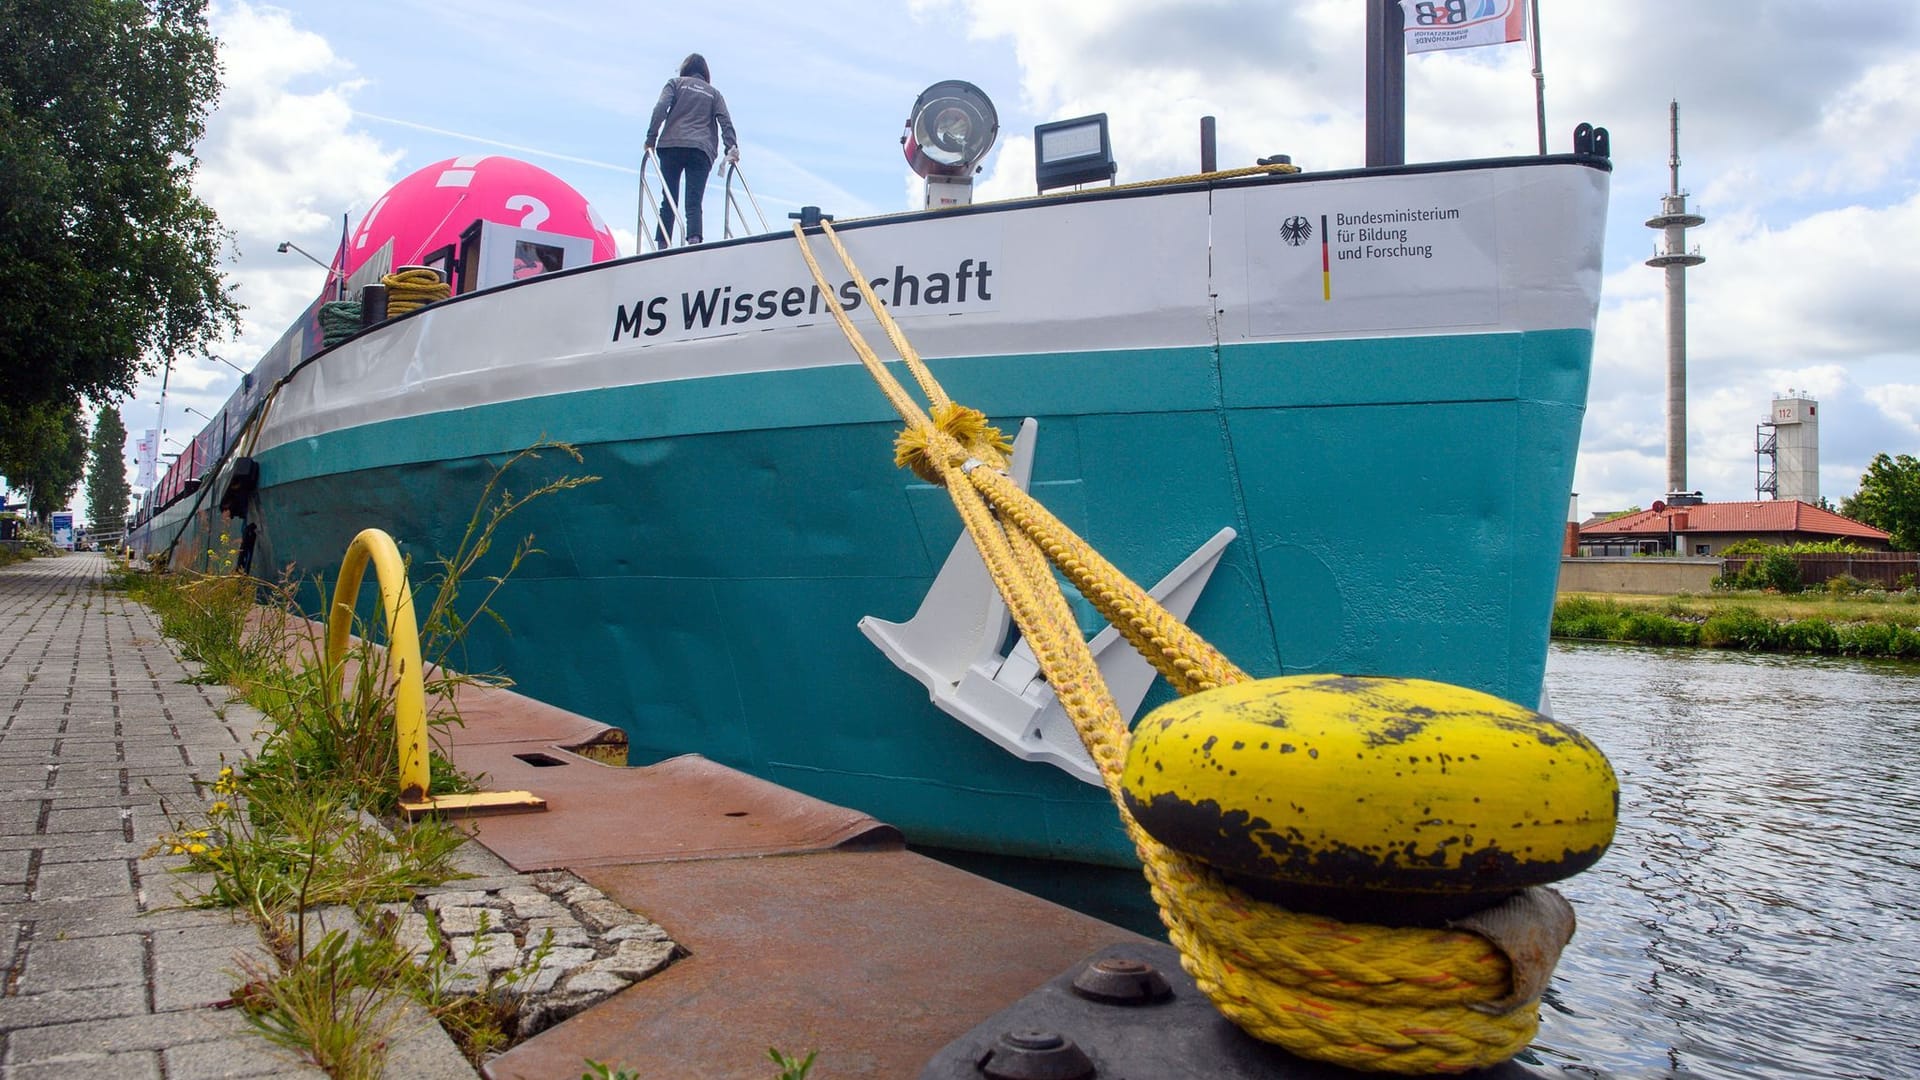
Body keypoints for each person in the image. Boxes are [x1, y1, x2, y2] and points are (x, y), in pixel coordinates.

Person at [644, 53, 738, 248]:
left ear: (685, 69)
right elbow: (725, 121)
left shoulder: (675, 83)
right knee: (694, 201)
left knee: (668, 198)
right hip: (700, 149)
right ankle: (694, 243)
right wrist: (731, 148)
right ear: (705, 73)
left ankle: (662, 244)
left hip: (672, 145)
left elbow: (660, 108)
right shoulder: (714, 94)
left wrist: (651, 137)